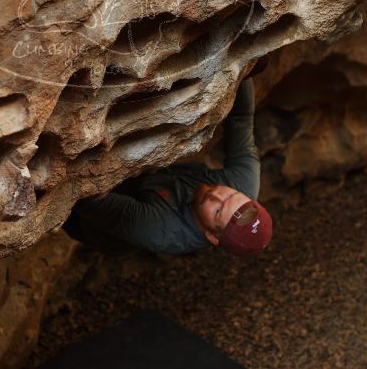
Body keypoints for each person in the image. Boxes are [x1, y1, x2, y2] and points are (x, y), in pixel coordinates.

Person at [62, 77, 272, 256]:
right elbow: (241, 119)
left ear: (211, 236)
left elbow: (81, 195)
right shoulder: (244, 182)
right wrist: (243, 61)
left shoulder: (156, 229)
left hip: (93, 220)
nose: (216, 194)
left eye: (217, 210)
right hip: (154, 178)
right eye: (230, 196)